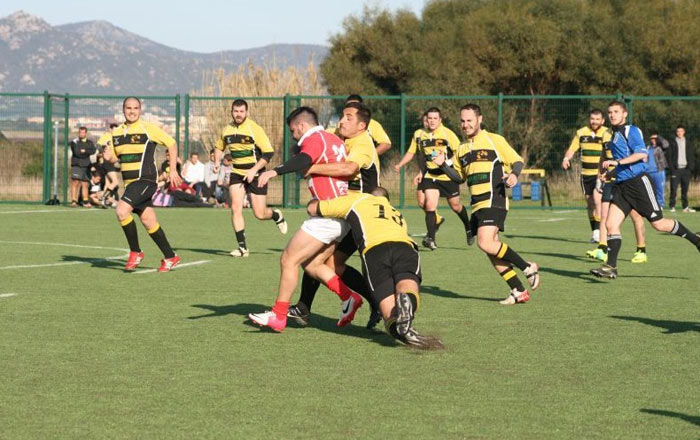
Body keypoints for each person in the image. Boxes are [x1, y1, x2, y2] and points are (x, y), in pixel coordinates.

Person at [248, 106, 365, 332]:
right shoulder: (334, 140)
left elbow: (304, 159)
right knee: (312, 264)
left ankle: (279, 315)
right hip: (339, 214)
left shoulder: (314, 138)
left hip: (327, 214)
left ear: (302, 126)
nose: (293, 135)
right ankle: (349, 297)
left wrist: (274, 172)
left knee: (288, 260)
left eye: (293, 130)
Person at [307, 187, 443, 349]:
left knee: (389, 316)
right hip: (404, 247)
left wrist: (315, 199)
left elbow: (313, 208)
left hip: (374, 252)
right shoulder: (395, 212)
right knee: (406, 282)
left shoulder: (358, 200)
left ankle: (400, 327)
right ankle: (406, 303)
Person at [287, 101, 380, 329]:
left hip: (361, 213)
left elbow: (348, 169)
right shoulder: (339, 137)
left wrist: (311, 168)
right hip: (344, 210)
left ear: (361, 125)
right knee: (319, 258)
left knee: (329, 263)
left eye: (348, 118)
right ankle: (303, 307)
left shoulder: (363, 144)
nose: (341, 121)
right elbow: (309, 141)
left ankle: (376, 302)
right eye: (342, 116)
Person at [437, 103, 540, 305]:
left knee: (484, 242)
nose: (465, 125)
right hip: (476, 204)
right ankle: (518, 290)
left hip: (494, 199)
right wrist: (442, 164)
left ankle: (528, 267)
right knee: (490, 248)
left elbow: (517, 161)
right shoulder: (461, 149)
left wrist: (514, 175)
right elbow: (459, 178)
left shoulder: (494, 140)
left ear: (479, 120)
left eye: (469, 120)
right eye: (463, 121)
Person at [590, 101, 700, 279]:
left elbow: (642, 154)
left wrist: (616, 163)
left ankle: (696, 240)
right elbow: (624, 161)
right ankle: (611, 266)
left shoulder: (630, 130)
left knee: (659, 224)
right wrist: (610, 173)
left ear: (624, 114)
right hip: (622, 186)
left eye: (616, 111)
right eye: (610, 112)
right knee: (611, 225)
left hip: (638, 184)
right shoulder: (612, 134)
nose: (612, 115)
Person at [102, 96, 181, 272]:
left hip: (145, 180)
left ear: (140, 110)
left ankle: (135, 252)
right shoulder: (117, 133)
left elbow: (172, 143)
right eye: (128, 108)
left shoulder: (148, 129)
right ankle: (170, 256)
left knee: (122, 211)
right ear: (123, 110)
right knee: (148, 220)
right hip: (130, 184)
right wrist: (108, 158)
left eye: (135, 108)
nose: (132, 111)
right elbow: (116, 159)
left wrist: (173, 169)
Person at [213, 99, 287, 257]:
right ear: (231, 112)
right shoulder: (226, 130)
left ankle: (276, 215)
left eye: (241, 111)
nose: (238, 114)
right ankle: (242, 248)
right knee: (235, 208)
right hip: (237, 173)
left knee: (259, 214)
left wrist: (253, 170)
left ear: (246, 112)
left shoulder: (254, 129)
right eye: (235, 111)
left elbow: (268, 152)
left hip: (256, 174)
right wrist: (217, 162)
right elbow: (219, 147)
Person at [394, 107, 472, 250]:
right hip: (431, 175)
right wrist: (401, 164)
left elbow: (459, 152)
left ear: (440, 120)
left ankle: (468, 227)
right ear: (426, 119)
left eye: (435, 118)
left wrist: (447, 162)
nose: (432, 121)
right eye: (430, 118)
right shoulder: (420, 135)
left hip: (447, 176)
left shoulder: (447, 134)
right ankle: (431, 238)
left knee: (455, 206)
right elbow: (412, 152)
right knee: (429, 205)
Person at [586, 144, 649, 264]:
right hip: (610, 182)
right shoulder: (607, 134)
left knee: (635, 216)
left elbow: (638, 156)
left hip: (626, 181)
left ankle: (641, 250)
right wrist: (600, 175)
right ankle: (602, 248)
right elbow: (603, 156)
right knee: (604, 215)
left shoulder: (627, 134)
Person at [562, 109, 609, 243]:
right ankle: (595, 232)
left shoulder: (607, 132)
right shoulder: (581, 133)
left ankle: (601, 233)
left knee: (597, 201)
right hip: (585, 175)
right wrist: (566, 158)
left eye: (597, 119)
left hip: (600, 174)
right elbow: (572, 148)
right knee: (590, 204)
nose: (594, 121)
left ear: (602, 121)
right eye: (592, 119)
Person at [328, 94, 392, 155]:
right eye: (349, 105)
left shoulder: (372, 124)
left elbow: (386, 144)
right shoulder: (342, 123)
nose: (351, 107)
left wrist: (370, 156)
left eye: (355, 105)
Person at [668, 125, 696, 213]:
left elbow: (692, 155)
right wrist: (672, 168)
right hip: (676, 170)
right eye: (678, 131)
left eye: (681, 131)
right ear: (676, 133)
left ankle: (685, 207)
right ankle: (672, 206)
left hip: (686, 170)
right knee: (674, 189)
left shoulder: (688, 142)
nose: (679, 133)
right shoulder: (672, 142)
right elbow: (669, 156)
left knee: (685, 189)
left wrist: (690, 168)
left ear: (684, 132)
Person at [70, 126, 96, 207]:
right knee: (75, 182)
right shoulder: (74, 142)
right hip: (77, 165)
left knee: (85, 184)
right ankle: (74, 201)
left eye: (83, 132)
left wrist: (84, 151)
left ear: (86, 133)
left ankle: (85, 201)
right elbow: (77, 152)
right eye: (80, 132)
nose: (81, 134)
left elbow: (93, 151)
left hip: (86, 166)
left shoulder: (90, 142)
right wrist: (86, 152)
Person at [96, 122, 121, 207]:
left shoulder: (117, 138)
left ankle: (104, 201)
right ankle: (104, 197)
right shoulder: (106, 136)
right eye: (113, 129)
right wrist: (102, 153)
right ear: (110, 129)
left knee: (108, 183)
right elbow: (98, 145)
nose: (115, 131)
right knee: (115, 182)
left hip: (111, 162)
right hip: (107, 162)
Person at [647, 133, 668, 210]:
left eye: (655, 139)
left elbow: (666, 144)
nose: (653, 140)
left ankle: (660, 204)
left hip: (659, 171)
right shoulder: (648, 148)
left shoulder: (660, 147)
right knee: (650, 189)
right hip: (649, 172)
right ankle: (652, 205)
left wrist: (659, 137)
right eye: (652, 139)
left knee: (660, 189)